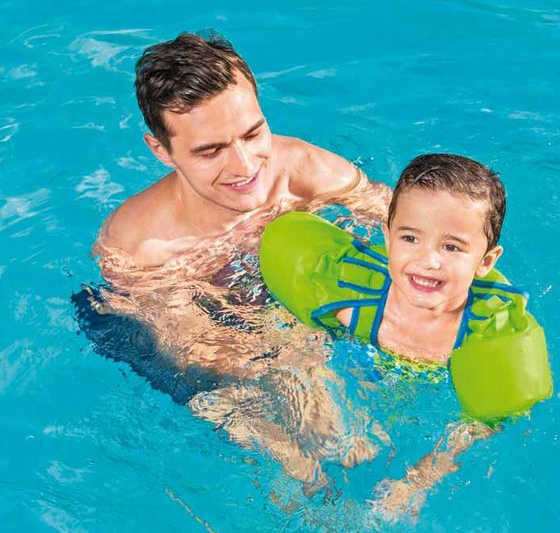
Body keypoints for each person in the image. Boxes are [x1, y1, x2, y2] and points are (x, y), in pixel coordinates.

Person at [260, 153, 553, 519]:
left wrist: (417, 481)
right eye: (410, 238)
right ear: (387, 237)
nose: (428, 260)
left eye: (451, 246)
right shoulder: (348, 297)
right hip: (350, 382)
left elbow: (479, 425)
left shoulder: (488, 338)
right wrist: (317, 401)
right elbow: (289, 335)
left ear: (486, 262)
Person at [91, 31, 389, 379]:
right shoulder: (142, 249)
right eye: (211, 151)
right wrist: (300, 350)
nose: (245, 167)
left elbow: (408, 223)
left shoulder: (307, 170)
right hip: (210, 331)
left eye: (252, 134)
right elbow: (197, 349)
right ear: (161, 151)